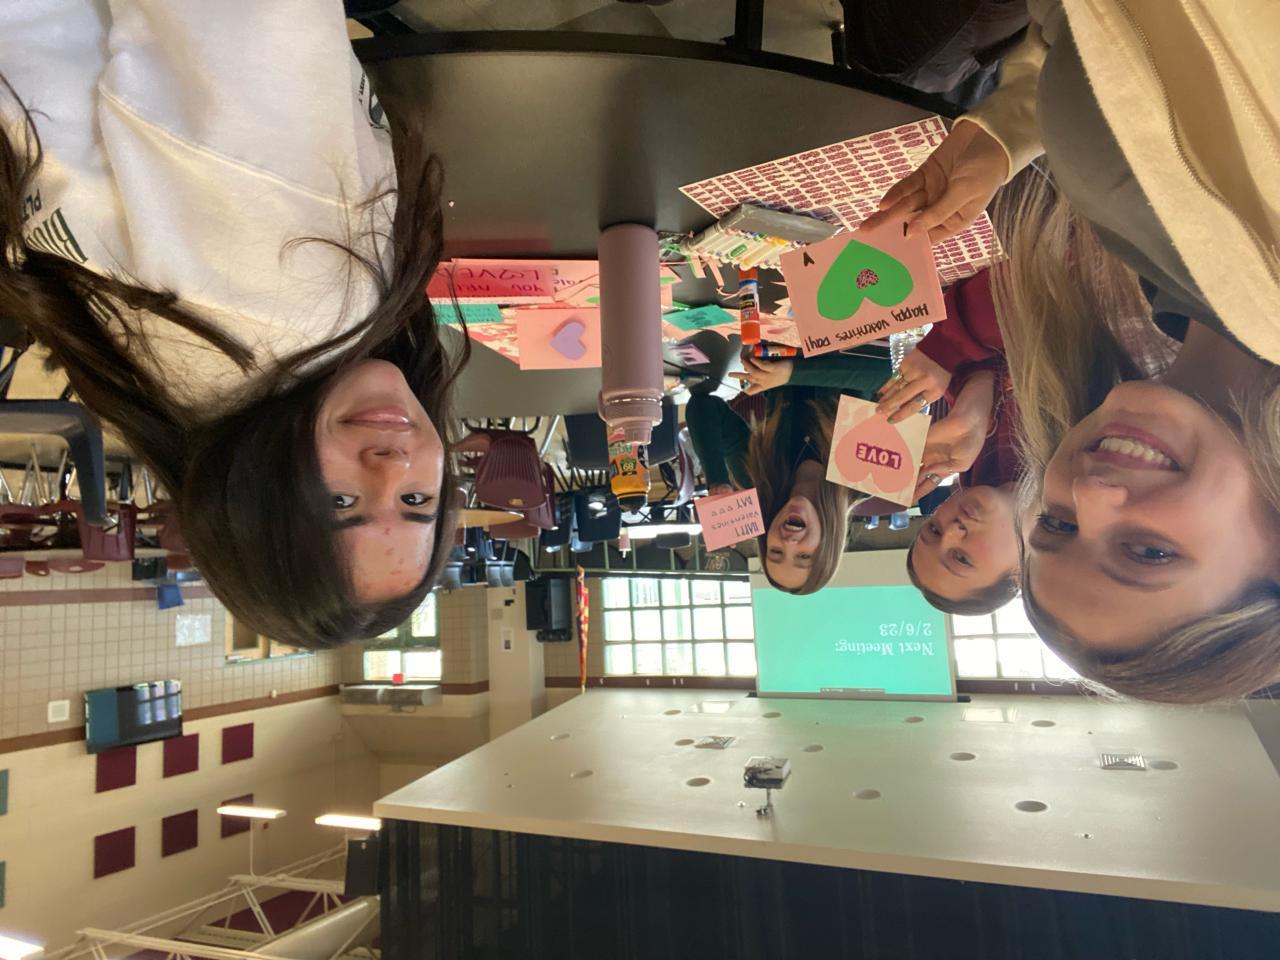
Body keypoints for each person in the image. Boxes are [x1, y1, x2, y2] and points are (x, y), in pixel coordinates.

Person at [0, 1, 468, 647]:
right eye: (416, 502)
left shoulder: (303, 291)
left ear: (258, 503)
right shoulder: (183, 389)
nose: (391, 467)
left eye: (342, 503)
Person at [864, 0, 1280, 702]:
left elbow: (1117, 48)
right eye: (1149, 552)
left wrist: (1006, 134)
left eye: (1057, 524)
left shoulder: (1151, 309)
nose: (1090, 494)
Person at [685, 346, 890, 594]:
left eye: (776, 551)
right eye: (804, 556)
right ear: (828, 546)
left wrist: (717, 479)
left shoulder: (758, 480)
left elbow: (703, 406)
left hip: (778, 338)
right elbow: (893, 375)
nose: (789, 542)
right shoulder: (868, 478)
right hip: (856, 336)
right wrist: (792, 374)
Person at [877, 271, 1022, 614]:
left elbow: (996, 349)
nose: (952, 530)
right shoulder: (1087, 469)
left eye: (933, 529)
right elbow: (1044, 291)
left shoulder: (974, 466)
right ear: (1019, 573)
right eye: (961, 558)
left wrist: (976, 394)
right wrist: (948, 349)